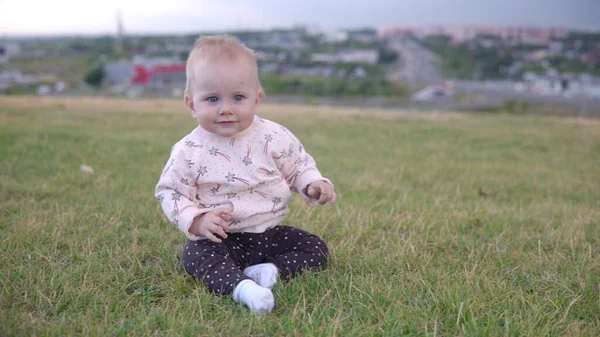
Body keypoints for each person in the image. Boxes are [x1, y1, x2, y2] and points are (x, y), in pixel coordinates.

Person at [155, 35, 337, 315]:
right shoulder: (189, 150)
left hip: (269, 234)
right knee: (195, 255)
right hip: (222, 238)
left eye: (238, 98)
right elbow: (171, 192)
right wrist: (198, 220)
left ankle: (268, 270)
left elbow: (297, 165)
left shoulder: (273, 136)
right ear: (192, 104)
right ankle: (243, 289)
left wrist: (312, 183)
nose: (226, 108)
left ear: (257, 98)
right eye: (212, 99)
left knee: (315, 247)